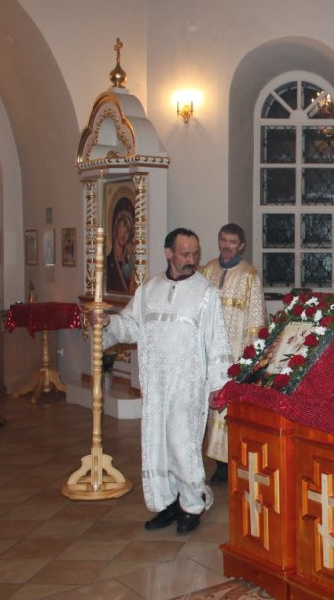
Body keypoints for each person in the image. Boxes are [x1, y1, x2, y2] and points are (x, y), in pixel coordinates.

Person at [99, 228, 231, 534]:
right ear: (168, 253)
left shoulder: (206, 293)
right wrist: (106, 322)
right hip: (155, 384)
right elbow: (131, 326)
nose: (191, 259)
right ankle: (167, 502)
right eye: (185, 253)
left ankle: (192, 505)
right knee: (156, 442)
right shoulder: (149, 289)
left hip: (188, 384)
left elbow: (217, 341)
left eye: (195, 253)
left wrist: (218, 384)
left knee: (182, 444)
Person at [200, 223, 268, 485]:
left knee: (229, 409)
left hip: (235, 353)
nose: (226, 246)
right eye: (223, 240)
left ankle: (231, 463)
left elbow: (256, 319)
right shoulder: (208, 270)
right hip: (209, 350)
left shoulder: (249, 275)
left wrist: (248, 358)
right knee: (211, 407)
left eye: (232, 242)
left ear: (241, 246)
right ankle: (218, 464)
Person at [106, 197, 136, 295]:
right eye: (124, 224)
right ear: (116, 224)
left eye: (128, 230)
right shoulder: (107, 263)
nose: (125, 232)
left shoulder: (130, 264)